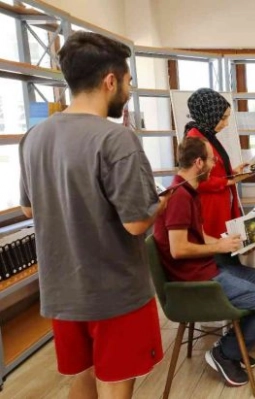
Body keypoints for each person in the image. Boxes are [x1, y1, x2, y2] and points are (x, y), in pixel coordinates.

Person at [18, 32, 167, 399]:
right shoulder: (117, 139)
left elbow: (29, 208)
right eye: (129, 81)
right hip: (113, 293)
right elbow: (136, 222)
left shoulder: (33, 138)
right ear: (110, 80)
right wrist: (161, 202)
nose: (129, 91)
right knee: (116, 384)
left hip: (61, 290)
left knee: (81, 380)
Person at [153, 137, 255, 387]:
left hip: (208, 268)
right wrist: (218, 246)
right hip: (198, 282)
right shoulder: (180, 197)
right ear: (198, 162)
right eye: (212, 160)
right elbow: (178, 249)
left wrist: (229, 241)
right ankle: (224, 352)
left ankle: (234, 345)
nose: (215, 164)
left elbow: (198, 233)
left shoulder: (188, 190)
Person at [184, 88, 250, 238]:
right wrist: (228, 181)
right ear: (209, 114)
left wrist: (233, 172)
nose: (226, 124)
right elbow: (195, 180)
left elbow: (214, 170)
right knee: (217, 251)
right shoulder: (195, 139)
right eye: (223, 118)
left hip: (221, 204)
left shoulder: (207, 135)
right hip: (210, 208)